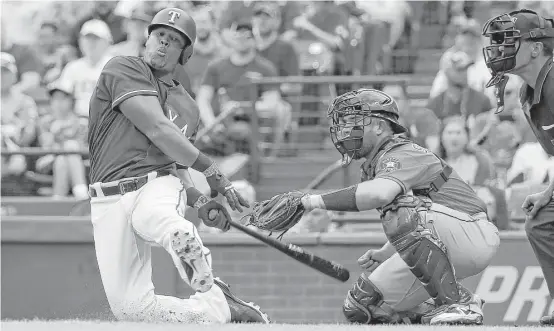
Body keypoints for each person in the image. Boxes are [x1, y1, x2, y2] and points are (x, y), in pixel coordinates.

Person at [87, 7, 269, 323]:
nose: (163, 44)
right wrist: (212, 174)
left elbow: (175, 162)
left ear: (185, 53)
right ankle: (219, 306)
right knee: (131, 311)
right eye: (159, 35)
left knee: (156, 219)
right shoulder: (123, 68)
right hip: (107, 198)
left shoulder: (188, 107)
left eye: (174, 40)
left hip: (154, 184)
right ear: (147, 39)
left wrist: (197, 200)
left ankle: (184, 239)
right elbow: (157, 128)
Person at [281, 88, 500, 325]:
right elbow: (417, 213)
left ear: (378, 126)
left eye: (353, 121)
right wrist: (385, 253)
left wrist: (310, 201)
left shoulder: (402, 151)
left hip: (473, 233)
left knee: (401, 209)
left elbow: (386, 198)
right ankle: (462, 301)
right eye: (343, 123)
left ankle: (456, 303)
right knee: (362, 305)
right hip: (446, 237)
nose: (345, 129)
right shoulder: (375, 164)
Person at [482, 9, 554, 325]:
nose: (499, 49)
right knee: (541, 221)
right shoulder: (528, 92)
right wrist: (548, 194)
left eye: (509, 41)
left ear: (536, 47)